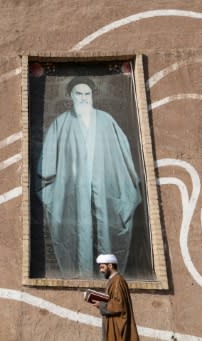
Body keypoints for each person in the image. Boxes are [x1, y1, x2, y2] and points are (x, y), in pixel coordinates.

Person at [36, 76, 141, 277]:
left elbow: (122, 157)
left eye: (87, 93)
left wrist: (121, 189)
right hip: (73, 196)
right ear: (70, 96)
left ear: (92, 96)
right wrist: (57, 194)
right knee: (77, 233)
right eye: (79, 93)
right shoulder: (61, 123)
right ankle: (82, 277)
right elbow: (48, 165)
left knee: (106, 233)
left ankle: (106, 279)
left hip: (104, 192)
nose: (83, 98)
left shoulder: (106, 121)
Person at [93, 254, 139, 341]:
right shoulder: (113, 280)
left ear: (110, 266)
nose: (101, 270)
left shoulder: (118, 281)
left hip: (117, 327)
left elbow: (119, 304)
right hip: (112, 324)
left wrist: (101, 305)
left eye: (102, 267)